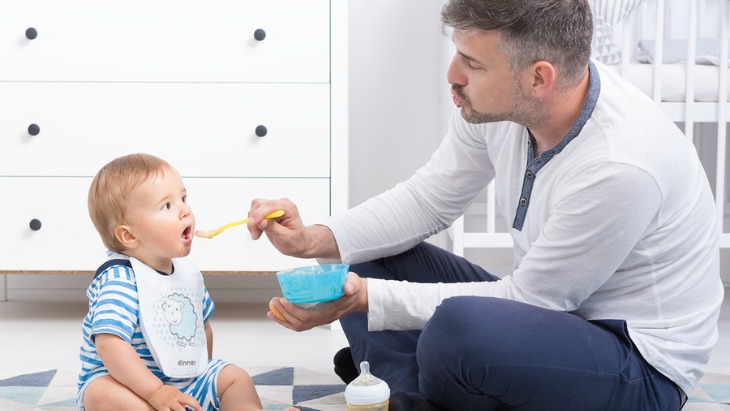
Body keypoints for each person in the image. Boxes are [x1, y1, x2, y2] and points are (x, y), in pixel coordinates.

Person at [247, 0, 726, 410]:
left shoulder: (620, 164)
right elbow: (426, 201)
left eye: (473, 64)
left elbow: (531, 301)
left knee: (456, 332)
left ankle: (409, 384)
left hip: (638, 365)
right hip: (553, 317)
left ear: (539, 78)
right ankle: (411, 393)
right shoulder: (501, 107)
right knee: (362, 255)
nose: (452, 75)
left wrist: (366, 299)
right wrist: (311, 240)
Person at [78, 153, 298, 411]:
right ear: (129, 235)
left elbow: (202, 329)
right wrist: (156, 391)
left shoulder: (187, 274)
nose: (185, 211)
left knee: (233, 377)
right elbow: (109, 344)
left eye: (183, 198)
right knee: (101, 393)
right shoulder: (119, 279)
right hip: (128, 385)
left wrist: (198, 373)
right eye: (166, 206)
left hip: (183, 383)